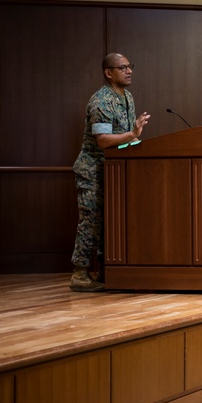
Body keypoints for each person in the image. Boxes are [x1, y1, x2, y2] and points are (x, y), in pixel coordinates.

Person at [70, 54, 150, 291]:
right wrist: (133, 134)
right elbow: (103, 140)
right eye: (123, 67)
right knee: (91, 221)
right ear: (108, 72)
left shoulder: (128, 97)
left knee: (113, 220)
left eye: (130, 66)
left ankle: (108, 270)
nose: (129, 71)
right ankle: (80, 273)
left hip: (115, 170)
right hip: (93, 170)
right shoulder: (101, 101)